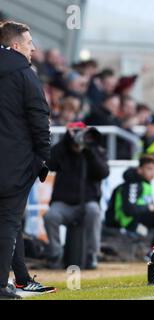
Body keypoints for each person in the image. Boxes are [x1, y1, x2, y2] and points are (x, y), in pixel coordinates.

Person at [0, 21, 55, 299]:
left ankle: (20, 278)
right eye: (30, 41)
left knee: (11, 223)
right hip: (15, 163)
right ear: (16, 45)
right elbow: (39, 119)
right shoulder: (24, 74)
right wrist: (43, 158)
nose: (34, 47)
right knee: (9, 222)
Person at [44, 122, 110, 270]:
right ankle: (55, 255)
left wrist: (88, 151)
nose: (80, 135)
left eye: (82, 132)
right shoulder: (62, 150)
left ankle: (92, 255)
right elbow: (49, 163)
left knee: (94, 211)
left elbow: (103, 172)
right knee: (50, 216)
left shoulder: (94, 150)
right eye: (76, 132)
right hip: (64, 203)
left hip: (87, 202)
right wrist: (66, 140)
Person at [105, 154, 154, 253]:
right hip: (129, 221)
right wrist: (147, 207)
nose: (153, 173)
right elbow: (129, 209)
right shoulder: (133, 184)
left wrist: (150, 208)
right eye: (149, 169)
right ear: (140, 170)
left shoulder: (146, 184)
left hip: (140, 217)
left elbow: (151, 207)